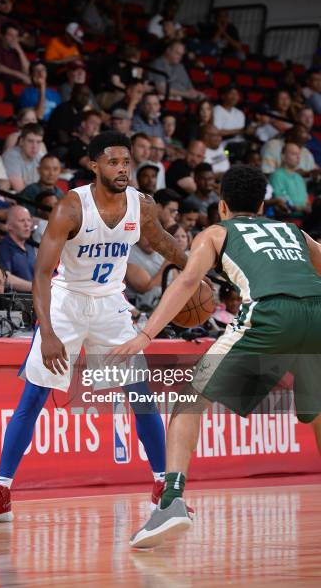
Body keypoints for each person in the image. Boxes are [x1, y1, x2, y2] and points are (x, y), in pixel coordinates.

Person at [0, 131, 188, 524]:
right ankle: (0, 492)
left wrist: (193, 266)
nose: (122, 169)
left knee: (141, 395)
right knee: (33, 398)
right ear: (94, 165)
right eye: (113, 162)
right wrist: (49, 333)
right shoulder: (72, 207)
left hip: (110, 305)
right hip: (67, 303)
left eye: (126, 162)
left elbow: (163, 242)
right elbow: (40, 275)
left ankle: (161, 487)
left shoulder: (142, 205)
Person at [111, 165, 321, 547]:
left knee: (189, 400)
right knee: (318, 410)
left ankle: (171, 502)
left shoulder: (215, 232)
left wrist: (144, 334)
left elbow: (188, 282)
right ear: (262, 204)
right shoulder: (295, 231)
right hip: (317, 314)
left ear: (221, 205)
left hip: (269, 314)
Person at [0, 205, 35, 289]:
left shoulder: (30, 248)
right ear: (9, 226)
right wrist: (34, 288)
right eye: (22, 221)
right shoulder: (3, 247)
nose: (27, 224)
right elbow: (5, 277)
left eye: (29, 220)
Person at [2, 123, 44, 191]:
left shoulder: (41, 157)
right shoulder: (11, 156)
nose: (34, 146)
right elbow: (21, 191)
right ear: (21, 141)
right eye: (30, 141)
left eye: (38, 142)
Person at [269, 143, 310, 213]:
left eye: (299, 154)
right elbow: (281, 202)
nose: (298, 157)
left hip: (304, 219)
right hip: (287, 219)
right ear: (283, 156)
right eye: (294, 154)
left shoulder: (299, 177)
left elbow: (307, 202)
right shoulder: (277, 175)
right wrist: (302, 209)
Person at [181, 163, 219, 228]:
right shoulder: (189, 202)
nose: (207, 183)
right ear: (195, 179)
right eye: (203, 179)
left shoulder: (215, 196)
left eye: (210, 179)